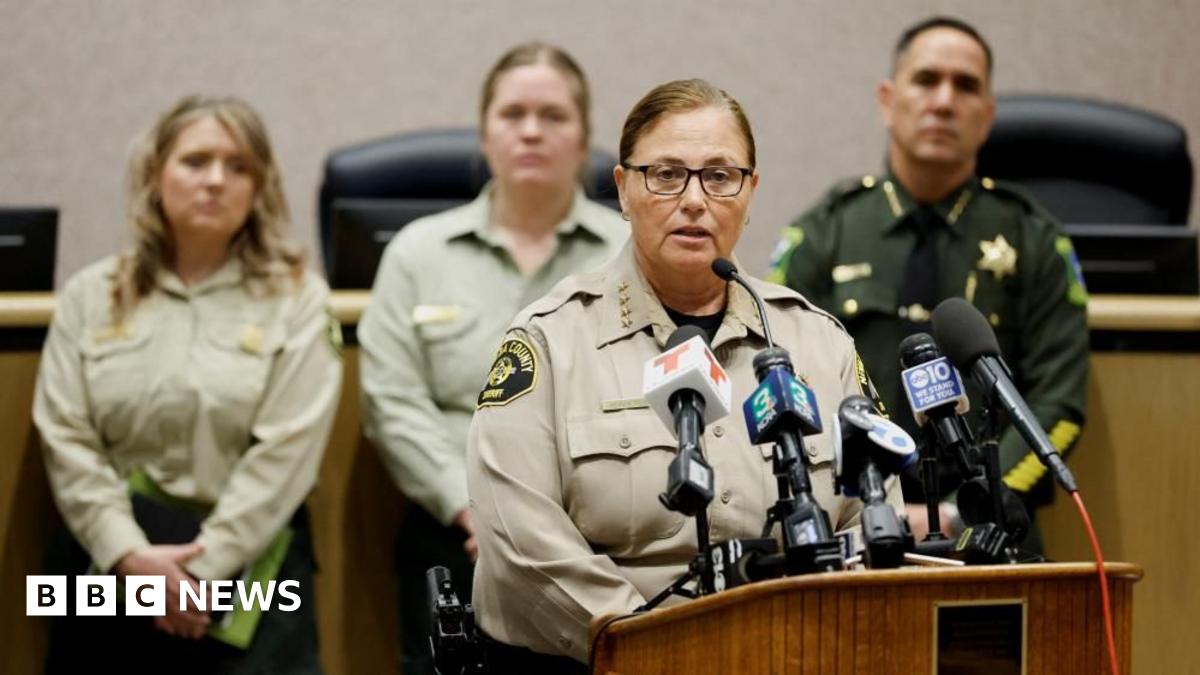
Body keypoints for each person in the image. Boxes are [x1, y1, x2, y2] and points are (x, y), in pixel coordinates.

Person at [467, 78, 902, 670]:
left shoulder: (815, 342)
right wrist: (658, 650)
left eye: (720, 176)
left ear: (750, 192)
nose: (694, 199)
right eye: (666, 175)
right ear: (623, 190)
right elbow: (520, 545)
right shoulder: (549, 341)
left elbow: (877, 516)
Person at [33, 95, 342, 674]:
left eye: (238, 165)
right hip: (108, 563)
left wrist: (199, 573)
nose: (216, 180)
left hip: (253, 568)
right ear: (155, 175)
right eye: (195, 161)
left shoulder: (298, 299)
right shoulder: (89, 296)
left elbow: (286, 455)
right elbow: (65, 436)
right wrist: (128, 555)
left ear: (260, 186)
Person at [356, 42, 627, 674]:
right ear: (484, 132)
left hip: (600, 541)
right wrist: (472, 505)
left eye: (554, 116)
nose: (531, 131)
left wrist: (546, 523)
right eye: (513, 114)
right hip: (455, 536)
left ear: (585, 136)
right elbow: (390, 400)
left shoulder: (631, 254)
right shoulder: (418, 253)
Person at [769, 16, 1089, 541]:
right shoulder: (826, 234)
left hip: (991, 525)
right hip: (854, 524)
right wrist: (865, 504)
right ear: (887, 100)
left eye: (965, 86)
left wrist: (964, 506)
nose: (944, 101)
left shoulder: (1033, 239)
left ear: (986, 117)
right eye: (926, 80)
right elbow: (785, 386)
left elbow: (1059, 406)